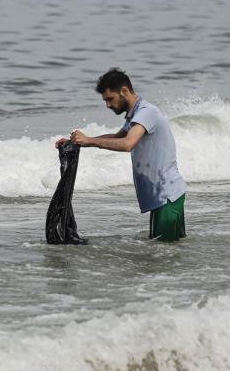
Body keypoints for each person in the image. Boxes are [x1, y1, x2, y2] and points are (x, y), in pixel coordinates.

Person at [56, 68, 187, 242]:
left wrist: (89, 141)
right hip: (165, 196)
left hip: (166, 196)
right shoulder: (136, 115)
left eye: (110, 99)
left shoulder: (146, 112)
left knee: (162, 257)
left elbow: (127, 144)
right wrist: (79, 141)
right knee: (169, 253)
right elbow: (118, 137)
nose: (107, 105)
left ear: (124, 91)